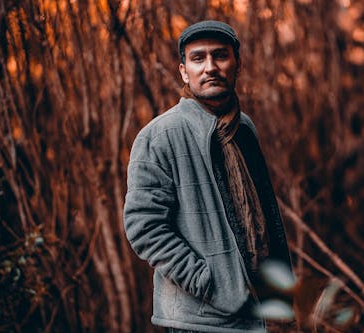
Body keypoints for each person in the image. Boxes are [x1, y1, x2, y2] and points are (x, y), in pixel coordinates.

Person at [123, 20, 292, 333]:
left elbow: (260, 216)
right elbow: (143, 226)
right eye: (198, 58)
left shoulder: (244, 129)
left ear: (237, 64)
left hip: (254, 313)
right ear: (184, 71)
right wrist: (208, 282)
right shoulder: (160, 136)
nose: (210, 67)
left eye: (220, 56)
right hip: (197, 320)